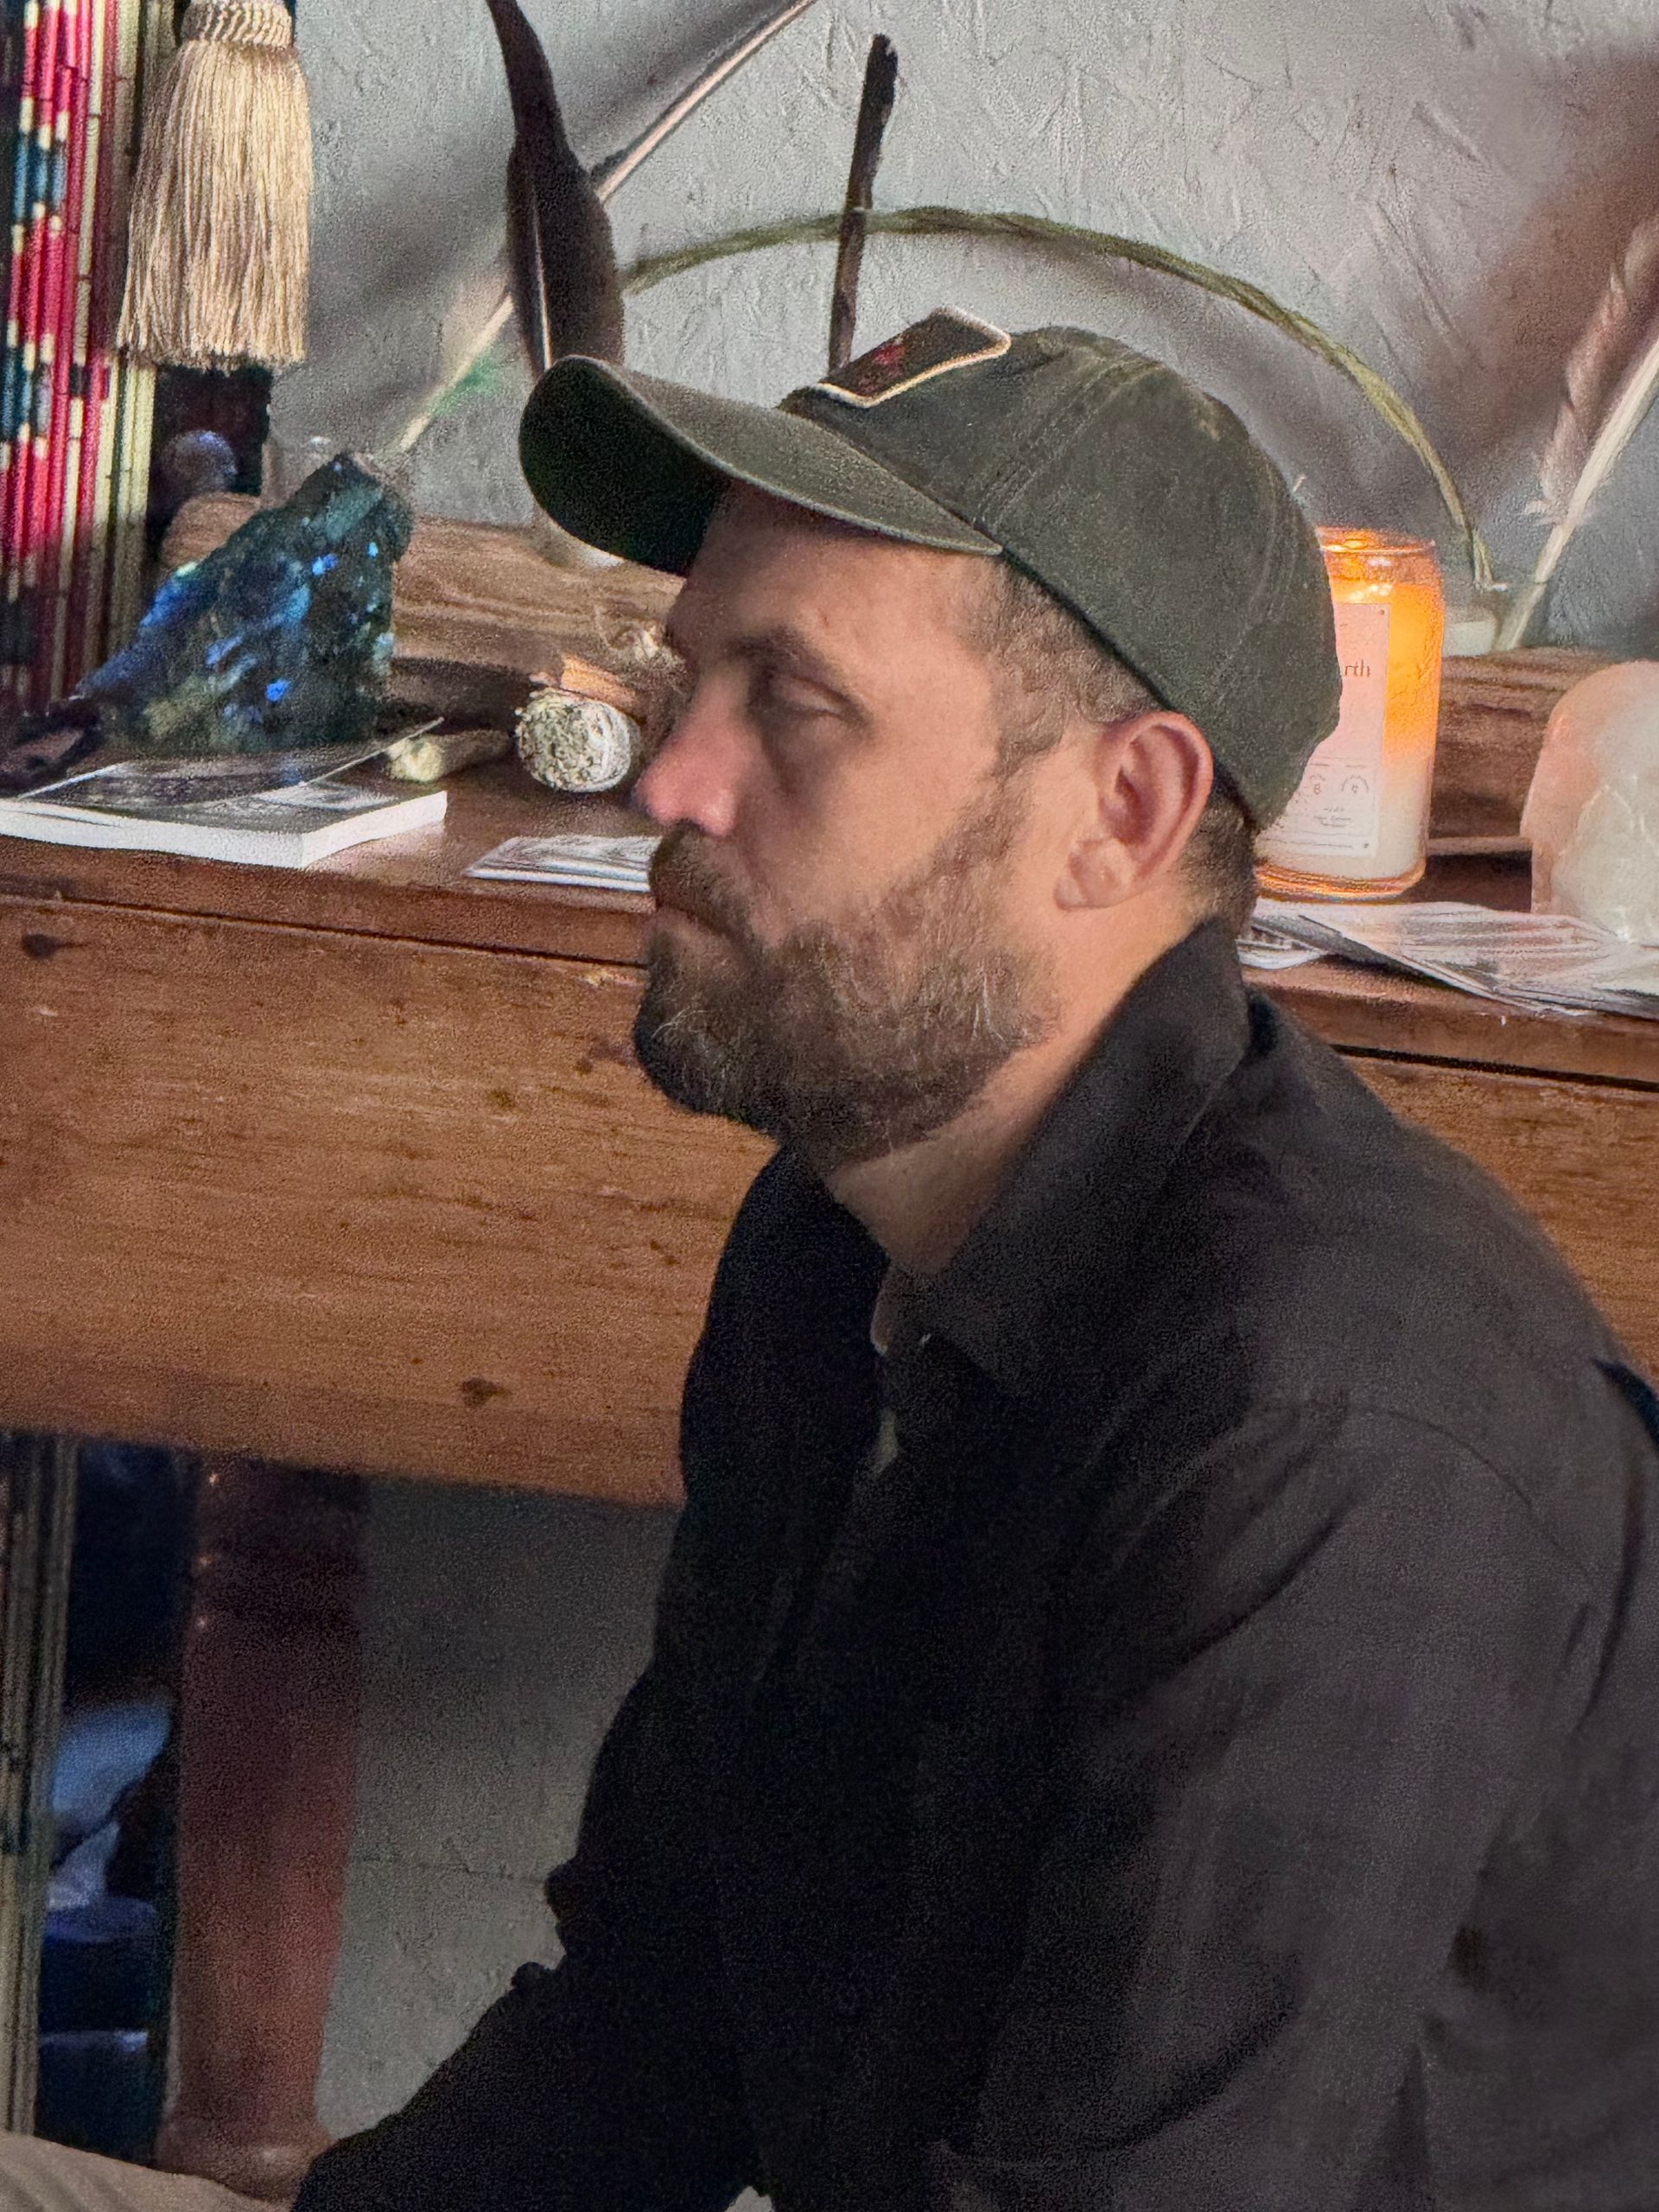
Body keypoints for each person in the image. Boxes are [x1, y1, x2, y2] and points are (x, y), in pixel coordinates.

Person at [5, 313, 1658, 2212]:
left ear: (1122, 813)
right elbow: (654, 2025)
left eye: (789, 702)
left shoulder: (1329, 1430)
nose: (671, 782)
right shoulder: (836, 1239)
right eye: (686, 675)